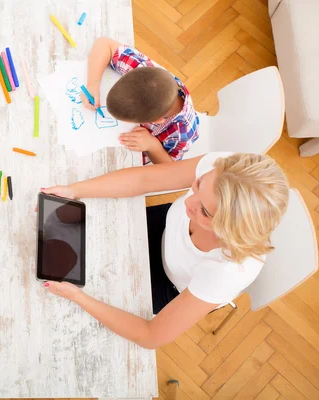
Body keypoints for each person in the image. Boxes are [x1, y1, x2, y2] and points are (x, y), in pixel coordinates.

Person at [41, 152, 289, 349]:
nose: (188, 202)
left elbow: (150, 335)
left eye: (204, 211)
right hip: (163, 226)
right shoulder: (226, 172)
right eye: (198, 184)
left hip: (167, 284)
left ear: (228, 230)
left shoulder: (227, 270)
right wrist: (74, 191)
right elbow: (145, 179)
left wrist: (78, 297)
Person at [82, 37, 199, 165]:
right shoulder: (147, 74)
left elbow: (171, 170)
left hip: (139, 155)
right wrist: (93, 84)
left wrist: (152, 145)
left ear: (156, 120)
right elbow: (104, 44)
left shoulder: (183, 133)